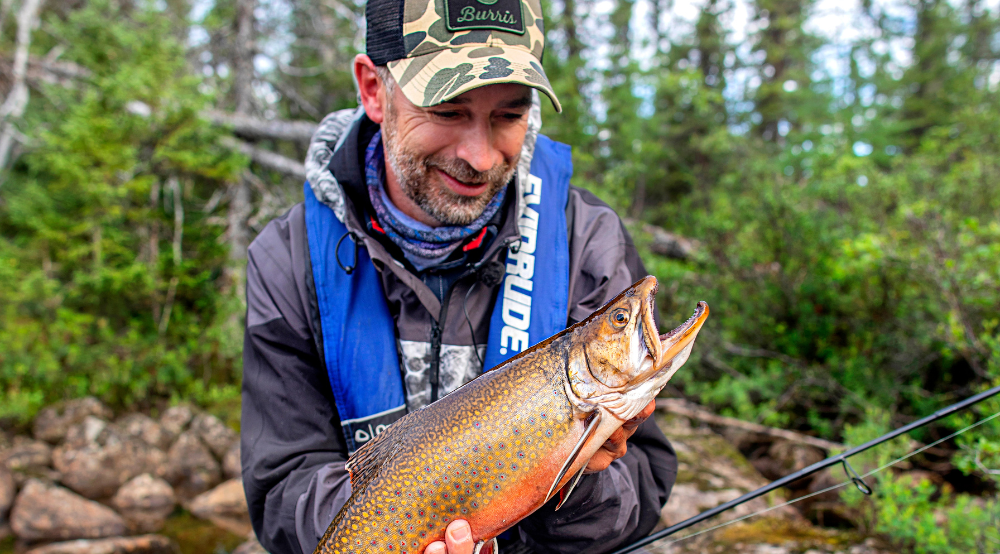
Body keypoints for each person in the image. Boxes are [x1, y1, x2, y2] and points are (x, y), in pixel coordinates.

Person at [240, 0, 679, 551]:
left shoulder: (588, 241)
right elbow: (282, 486)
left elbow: (645, 483)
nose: (479, 155)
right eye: (448, 110)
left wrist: (574, 483)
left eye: (509, 115)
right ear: (375, 89)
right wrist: (405, 527)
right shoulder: (288, 260)